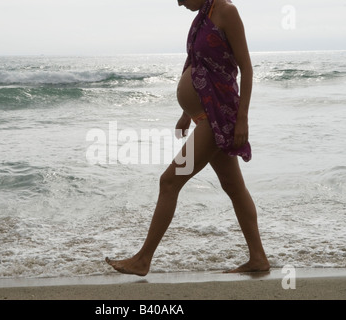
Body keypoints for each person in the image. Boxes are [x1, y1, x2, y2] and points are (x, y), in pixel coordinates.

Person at [106, 0, 269, 275]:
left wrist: (242, 119)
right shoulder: (204, 16)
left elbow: (247, 68)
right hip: (203, 114)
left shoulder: (227, 11)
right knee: (234, 187)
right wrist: (186, 111)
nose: (179, 2)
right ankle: (258, 258)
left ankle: (143, 259)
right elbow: (196, 64)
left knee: (169, 181)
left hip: (219, 115)